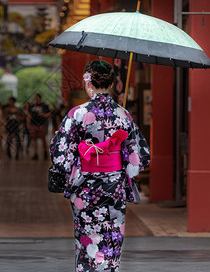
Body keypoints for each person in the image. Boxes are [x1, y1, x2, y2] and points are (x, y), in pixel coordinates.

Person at [49, 60, 150, 272]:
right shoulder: (124, 115)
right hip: (114, 188)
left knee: (87, 240)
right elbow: (140, 155)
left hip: (85, 187)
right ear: (111, 84)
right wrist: (121, 167)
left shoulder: (76, 114)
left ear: (88, 83)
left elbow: (59, 154)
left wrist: (76, 163)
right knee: (112, 240)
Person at [28, 94, 51, 160]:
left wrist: (43, 114)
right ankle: (35, 153)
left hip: (42, 124)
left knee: (43, 139)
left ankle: (45, 152)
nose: (36, 99)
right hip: (34, 124)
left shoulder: (44, 106)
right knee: (34, 139)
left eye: (37, 97)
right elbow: (29, 115)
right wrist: (29, 124)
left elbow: (49, 114)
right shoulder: (32, 106)